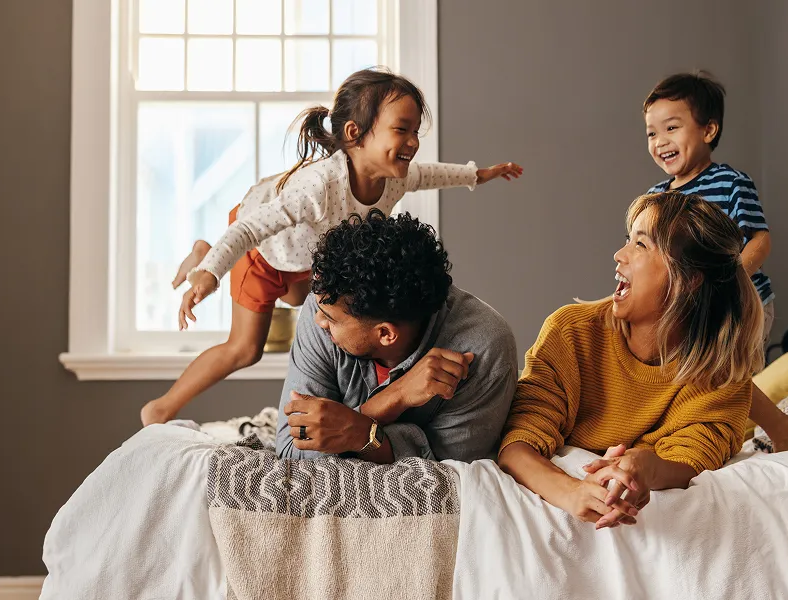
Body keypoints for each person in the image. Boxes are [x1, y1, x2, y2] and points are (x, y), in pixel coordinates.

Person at [140, 68, 523, 426]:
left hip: (306, 259)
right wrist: (211, 271)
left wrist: (480, 175)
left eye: (416, 132)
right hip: (263, 252)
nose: (413, 142)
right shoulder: (320, 187)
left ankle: (208, 250)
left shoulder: (395, 178)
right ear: (356, 133)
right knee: (245, 349)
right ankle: (160, 407)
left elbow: (434, 174)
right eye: (401, 129)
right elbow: (251, 227)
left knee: (310, 306)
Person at [498, 191, 763, 529]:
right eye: (629, 240)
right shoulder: (571, 333)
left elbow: (691, 460)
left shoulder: (721, 376)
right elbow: (517, 445)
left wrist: (644, 466)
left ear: (690, 279)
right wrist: (573, 492)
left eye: (641, 245)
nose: (618, 255)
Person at [642, 71, 788, 451]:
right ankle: (703, 434)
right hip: (687, 308)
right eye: (651, 132)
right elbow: (647, 254)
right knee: (689, 372)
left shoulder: (730, 182)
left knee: (723, 370)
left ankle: (781, 430)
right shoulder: (654, 199)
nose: (660, 141)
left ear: (708, 130)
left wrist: (729, 279)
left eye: (671, 127)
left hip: (739, 302)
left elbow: (759, 240)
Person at [276, 210, 518, 463]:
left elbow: (451, 475)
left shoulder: (483, 346)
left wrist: (357, 433)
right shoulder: (326, 303)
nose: (318, 321)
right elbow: (292, 453)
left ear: (385, 334)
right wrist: (393, 399)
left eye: (331, 320)